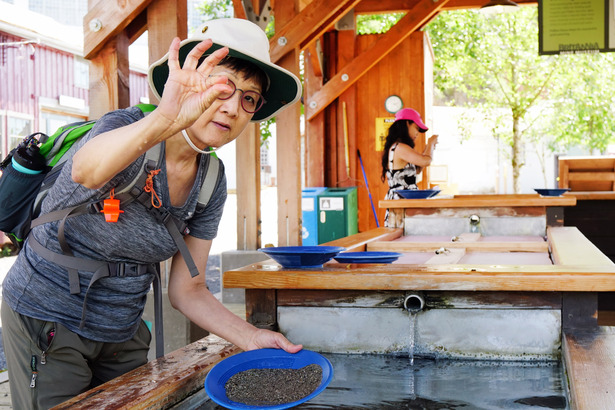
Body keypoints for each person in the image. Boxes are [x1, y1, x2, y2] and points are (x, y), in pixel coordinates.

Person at [1, 18, 303, 409]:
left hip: (122, 329)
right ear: (189, 81)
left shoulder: (211, 179)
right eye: (221, 86)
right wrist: (167, 117)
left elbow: (187, 289)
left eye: (248, 98)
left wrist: (250, 337)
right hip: (46, 318)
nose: (232, 107)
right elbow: (86, 170)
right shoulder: (127, 128)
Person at [380, 108, 438, 227]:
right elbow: (425, 161)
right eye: (416, 128)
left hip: (404, 202)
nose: (417, 133)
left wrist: (428, 148)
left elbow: (417, 170)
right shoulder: (400, 147)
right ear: (407, 123)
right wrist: (431, 143)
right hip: (401, 203)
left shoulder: (399, 147)